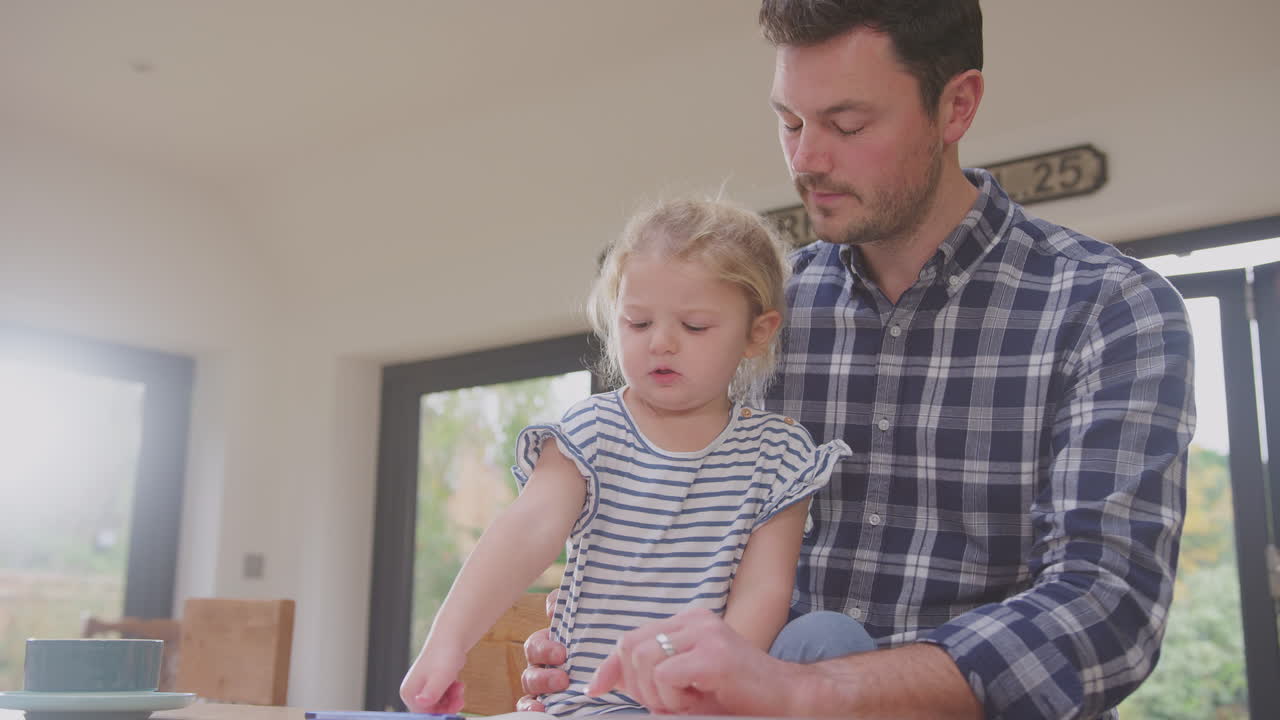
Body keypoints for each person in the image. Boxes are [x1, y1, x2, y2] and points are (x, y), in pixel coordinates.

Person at [521, 2, 1196, 718]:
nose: (807, 160)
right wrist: (612, 632)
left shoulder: (1108, 308)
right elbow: (675, 516)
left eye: (848, 125)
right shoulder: (752, 316)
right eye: (790, 122)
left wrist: (814, 692)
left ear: (956, 106)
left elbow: (1106, 606)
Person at [399, 196, 853, 716]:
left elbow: (764, 592)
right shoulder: (590, 431)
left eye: (695, 326)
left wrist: (706, 697)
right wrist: (445, 645)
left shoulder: (779, 454)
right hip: (589, 706)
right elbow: (525, 529)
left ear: (757, 333)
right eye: (637, 323)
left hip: (711, 706)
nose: (661, 343)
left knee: (832, 636)